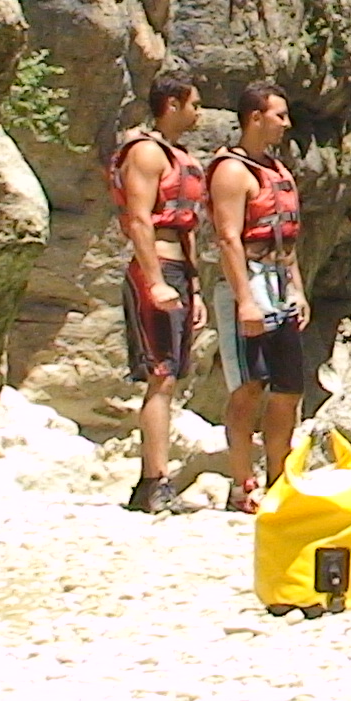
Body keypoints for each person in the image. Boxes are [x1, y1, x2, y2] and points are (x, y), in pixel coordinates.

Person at [207, 82, 307, 513]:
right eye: (279, 115)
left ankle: (279, 479)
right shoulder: (231, 171)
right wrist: (244, 300)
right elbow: (228, 237)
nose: (286, 124)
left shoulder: (279, 172)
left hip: (281, 283)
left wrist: (299, 288)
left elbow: (289, 237)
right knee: (250, 385)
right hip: (248, 282)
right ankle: (240, 483)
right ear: (255, 118)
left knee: (288, 388)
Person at [109, 73, 205, 513]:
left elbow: (186, 227)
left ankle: (153, 481)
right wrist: (154, 280)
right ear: (171, 103)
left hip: (180, 271)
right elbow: (140, 219)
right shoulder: (146, 153)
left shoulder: (178, 156)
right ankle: (154, 482)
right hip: (158, 270)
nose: (199, 113)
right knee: (160, 376)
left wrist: (196, 289)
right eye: (194, 104)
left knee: (170, 377)